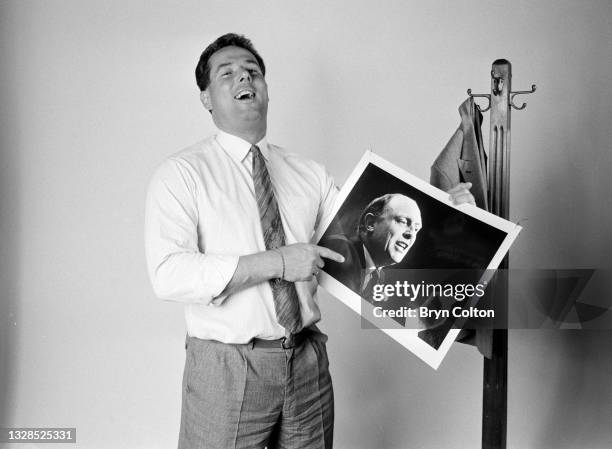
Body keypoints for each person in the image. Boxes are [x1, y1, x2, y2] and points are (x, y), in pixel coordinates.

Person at [144, 33, 345, 449]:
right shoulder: (182, 174)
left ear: (266, 90)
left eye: (252, 71)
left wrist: (446, 215)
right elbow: (168, 274)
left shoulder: (310, 174)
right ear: (206, 98)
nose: (244, 78)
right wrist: (277, 262)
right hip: (227, 368)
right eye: (228, 73)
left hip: (307, 362)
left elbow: (358, 245)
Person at [321, 193, 422, 299]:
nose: (411, 234)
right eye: (403, 221)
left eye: (416, 229)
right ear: (370, 223)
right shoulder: (340, 249)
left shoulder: (378, 276)